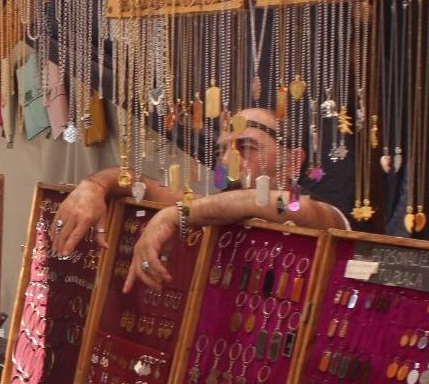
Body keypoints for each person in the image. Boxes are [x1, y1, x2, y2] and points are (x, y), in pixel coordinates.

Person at [53, 106, 349, 293]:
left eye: (246, 147)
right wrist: (94, 185)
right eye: (224, 151)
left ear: (293, 161)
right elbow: (139, 183)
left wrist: (176, 214)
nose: (231, 160)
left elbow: (289, 206)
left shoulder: (313, 211)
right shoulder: (210, 209)